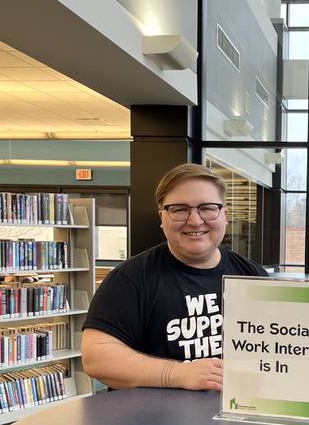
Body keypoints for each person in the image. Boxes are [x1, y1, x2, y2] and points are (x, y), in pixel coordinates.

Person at [82, 162, 267, 392]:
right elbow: (96, 357)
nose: (195, 220)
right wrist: (178, 374)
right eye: (179, 209)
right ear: (162, 218)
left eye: (207, 208)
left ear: (225, 215)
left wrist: (308, 370)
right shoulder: (130, 278)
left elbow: (278, 345)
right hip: (151, 424)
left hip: (237, 417)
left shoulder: (253, 276)